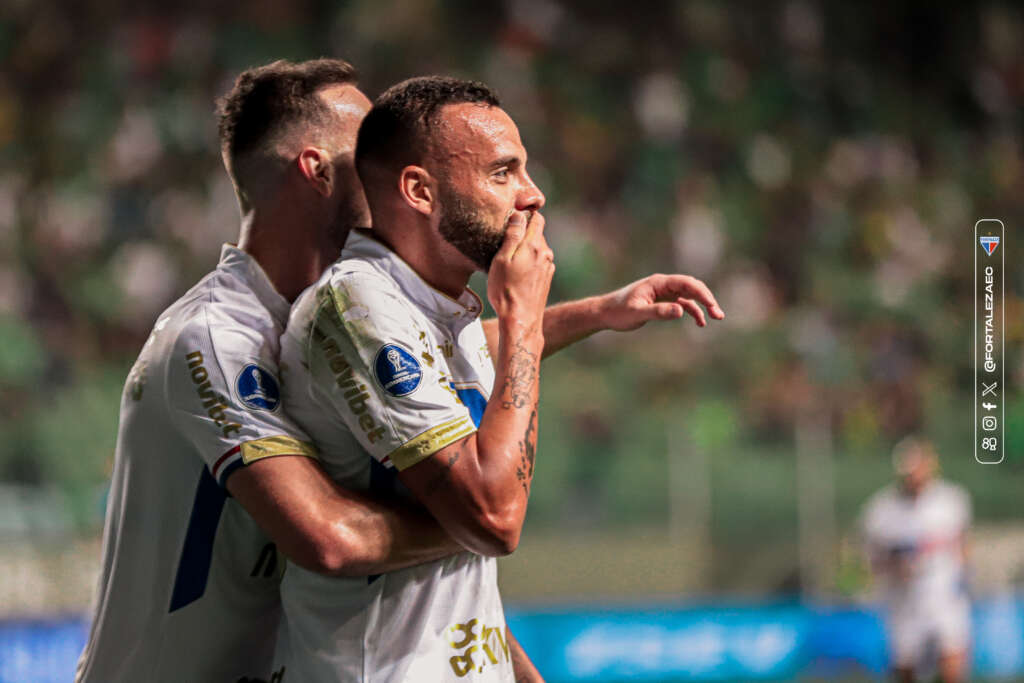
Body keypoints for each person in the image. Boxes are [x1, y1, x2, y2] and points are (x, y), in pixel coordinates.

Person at [276, 75, 724, 682]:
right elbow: (492, 518)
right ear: (419, 191)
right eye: (502, 173)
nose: (533, 195)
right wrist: (524, 319)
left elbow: (451, 574)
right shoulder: (358, 305)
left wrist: (600, 311)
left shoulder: (430, 308)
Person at [76, 59, 466, 683]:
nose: (393, 172)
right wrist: (477, 527)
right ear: (314, 170)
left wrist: (587, 315)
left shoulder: (334, 333)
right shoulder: (213, 335)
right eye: (370, 151)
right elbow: (330, 541)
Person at [860, 437, 972, 683]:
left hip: (944, 597)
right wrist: (895, 567)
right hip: (904, 601)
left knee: (952, 662)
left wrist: (964, 578)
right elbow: (872, 560)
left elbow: (963, 544)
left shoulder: (951, 501)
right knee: (906, 669)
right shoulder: (882, 510)